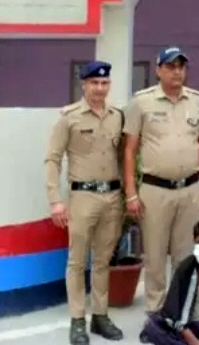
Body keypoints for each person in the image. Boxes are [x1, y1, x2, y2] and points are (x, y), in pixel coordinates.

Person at [123, 46, 199, 313]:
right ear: (158, 70)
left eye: (181, 67)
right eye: (170, 66)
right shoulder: (141, 102)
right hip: (155, 190)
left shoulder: (198, 101)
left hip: (190, 189)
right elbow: (129, 150)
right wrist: (131, 193)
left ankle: (180, 311)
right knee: (154, 256)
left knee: (185, 255)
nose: (177, 72)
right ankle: (155, 313)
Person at [44, 60, 124, 345]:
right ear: (84, 85)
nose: (100, 88)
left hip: (112, 197)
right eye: (94, 83)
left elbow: (123, 157)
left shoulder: (117, 116)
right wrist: (55, 200)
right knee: (77, 262)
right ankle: (77, 320)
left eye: (104, 83)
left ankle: (100, 316)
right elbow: (52, 159)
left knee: (102, 261)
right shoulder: (69, 117)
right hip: (83, 197)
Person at [140, 219, 199, 345]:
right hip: (192, 328)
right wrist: (196, 343)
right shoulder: (185, 268)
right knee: (154, 326)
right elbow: (174, 311)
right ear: (193, 241)